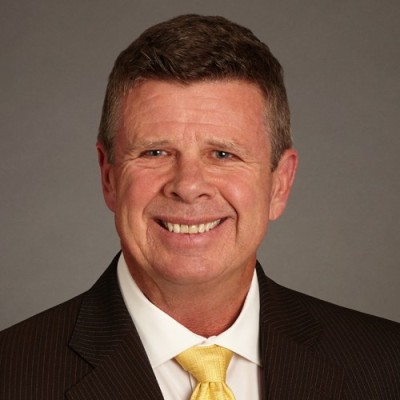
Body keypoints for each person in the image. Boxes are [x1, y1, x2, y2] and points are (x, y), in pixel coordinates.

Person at [1, 14, 399, 400]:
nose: (188, 186)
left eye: (223, 154)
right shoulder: (12, 374)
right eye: (155, 152)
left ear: (280, 184)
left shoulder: (386, 366)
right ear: (109, 177)